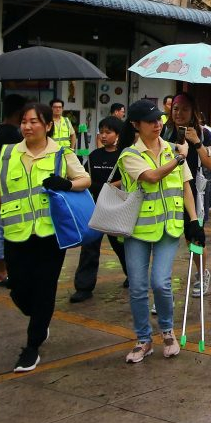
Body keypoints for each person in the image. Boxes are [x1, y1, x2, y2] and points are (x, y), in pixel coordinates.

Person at [0, 102, 91, 372]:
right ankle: (39, 316)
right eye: (24, 121)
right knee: (19, 288)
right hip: (16, 233)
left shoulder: (61, 153)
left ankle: (32, 344)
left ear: (48, 125)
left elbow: (84, 179)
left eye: (34, 121)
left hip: (51, 234)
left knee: (44, 288)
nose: (27, 126)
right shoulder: (8, 154)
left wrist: (67, 184)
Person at [116, 100, 203, 363]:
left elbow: (186, 186)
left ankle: (167, 330)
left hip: (168, 227)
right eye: (150, 121)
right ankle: (143, 339)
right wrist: (180, 157)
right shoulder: (129, 155)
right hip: (137, 230)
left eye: (159, 119)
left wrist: (195, 221)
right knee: (138, 287)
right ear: (135, 125)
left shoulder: (171, 150)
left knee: (161, 283)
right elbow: (152, 176)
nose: (157, 124)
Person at [162, 92, 211, 296]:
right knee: (165, 237)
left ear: (193, 111)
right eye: (176, 108)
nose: (179, 113)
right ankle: (163, 286)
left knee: (193, 238)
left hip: (195, 192)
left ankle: (202, 274)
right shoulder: (164, 132)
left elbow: (210, 164)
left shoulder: (203, 133)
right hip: (168, 191)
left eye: (184, 109)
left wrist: (196, 142)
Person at [70, 116, 128, 303]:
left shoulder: (125, 156)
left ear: (118, 135)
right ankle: (84, 287)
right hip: (96, 207)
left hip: (116, 208)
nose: (103, 136)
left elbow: (130, 179)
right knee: (90, 247)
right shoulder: (94, 156)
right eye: (101, 132)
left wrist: (109, 186)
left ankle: (134, 276)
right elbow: (86, 177)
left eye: (108, 132)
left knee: (121, 247)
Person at [0, 94, 26, 285]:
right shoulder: (11, 134)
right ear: (18, 113)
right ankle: (0, 271)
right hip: (7, 186)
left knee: (3, 225)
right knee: (5, 228)